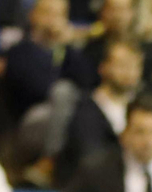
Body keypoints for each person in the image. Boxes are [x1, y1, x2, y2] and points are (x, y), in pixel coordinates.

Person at [56, 38, 143, 183]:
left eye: (135, 66)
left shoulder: (144, 108)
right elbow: (89, 160)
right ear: (103, 67)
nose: (129, 71)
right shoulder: (84, 110)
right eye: (122, 65)